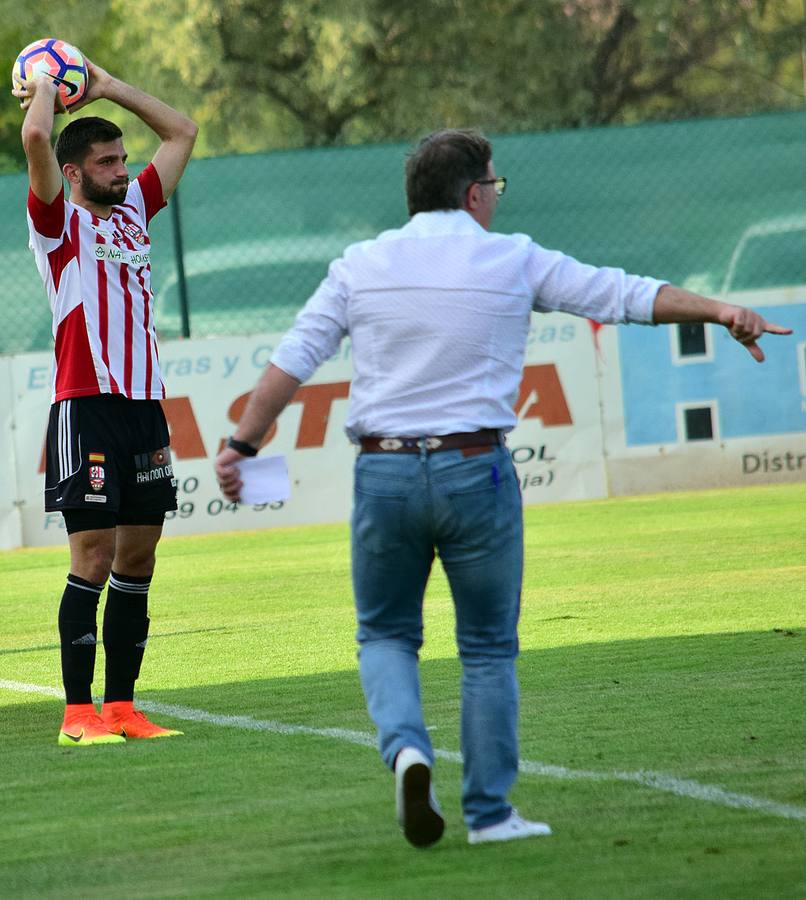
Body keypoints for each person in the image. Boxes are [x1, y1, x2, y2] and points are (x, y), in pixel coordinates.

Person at [213, 130, 791, 845]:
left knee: (386, 633)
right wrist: (720, 310)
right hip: (476, 469)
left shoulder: (360, 265)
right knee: (486, 649)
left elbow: (292, 361)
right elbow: (622, 295)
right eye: (495, 185)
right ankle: (489, 814)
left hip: (386, 470)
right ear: (473, 193)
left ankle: (407, 749)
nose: (496, 196)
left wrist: (242, 443)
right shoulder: (512, 258)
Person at [14, 55, 198, 746]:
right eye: (107, 162)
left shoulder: (136, 214)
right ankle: (76, 714)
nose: (123, 170)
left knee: (139, 558)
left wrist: (110, 87)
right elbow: (36, 140)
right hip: (84, 404)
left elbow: (182, 132)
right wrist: (42, 88)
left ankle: (122, 708)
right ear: (74, 173)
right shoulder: (57, 224)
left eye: (123, 159)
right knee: (90, 557)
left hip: (142, 404)